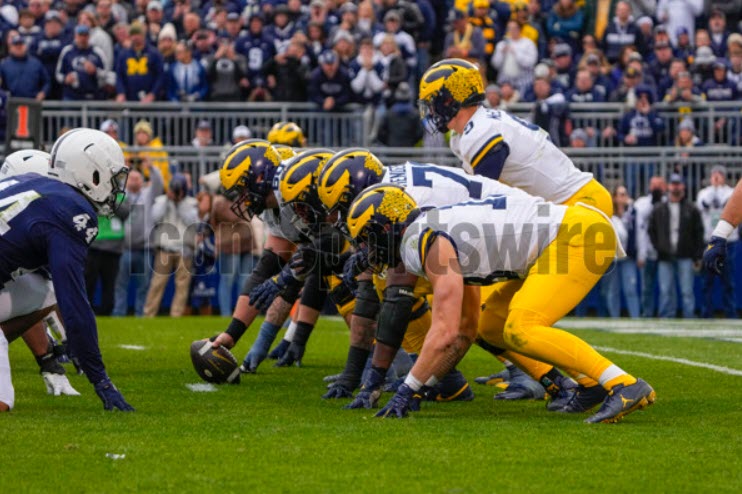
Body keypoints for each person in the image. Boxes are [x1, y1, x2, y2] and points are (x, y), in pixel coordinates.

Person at [346, 185, 655, 423]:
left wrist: (407, 389)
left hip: (575, 234)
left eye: (368, 239)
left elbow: (444, 331)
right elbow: (465, 331)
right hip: (557, 239)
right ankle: (590, 384)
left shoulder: (422, 239)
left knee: (523, 327)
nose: (368, 250)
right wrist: (424, 384)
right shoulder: (432, 230)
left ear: (387, 228)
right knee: (489, 326)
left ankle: (623, 383)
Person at [418, 59, 624, 407]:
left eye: (434, 100)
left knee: (518, 318)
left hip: (577, 213)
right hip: (557, 215)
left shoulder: (479, 133)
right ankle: (550, 379)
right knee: (488, 317)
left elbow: (481, 200)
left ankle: (600, 381)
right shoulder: (468, 132)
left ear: (451, 98)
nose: (431, 109)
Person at [0, 128, 133, 412]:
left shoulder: (29, 181)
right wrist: (101, 380)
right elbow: (74, 302)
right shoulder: (71, 211)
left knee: (43, 291)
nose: (117, 187)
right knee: (2, 401)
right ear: (93, 174)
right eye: (113, 177)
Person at [648, 174, 704, 318]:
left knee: (687, 290)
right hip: (665, 255)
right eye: (673, 184)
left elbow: (699, 233)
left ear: (683, 186)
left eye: (678, 184)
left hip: (685, 254)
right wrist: (658, 247)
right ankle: (666, 316)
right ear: (668, 186)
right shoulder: (659, 208)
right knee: (665, 289)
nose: (675, 187)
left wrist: (697, 255)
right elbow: (652, 230)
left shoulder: (691, 209)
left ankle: (689, 315)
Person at [143, 174, 199, 317]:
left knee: (182, 286)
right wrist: (168, 200)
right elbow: (155, 217)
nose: (176, 192)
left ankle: (176, 315)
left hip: (184, 249)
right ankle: (149, 314)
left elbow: (193, 221)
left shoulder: (192, 203)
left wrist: (179, 203)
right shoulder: (161, 201)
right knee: (157, 284)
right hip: (164, 249)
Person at [113, 162, 164, 317]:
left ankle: (140, 314)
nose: (135, 181)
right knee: (121, 285)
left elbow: (159, 184)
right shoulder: (121, 196)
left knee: (143, 286)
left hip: (144, 248)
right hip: (125, 247)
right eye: (132, 178)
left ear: (142, 181)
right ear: (126, 181)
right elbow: (112, 183)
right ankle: (119, 313)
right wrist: (122, 169)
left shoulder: (147, 194)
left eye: (137, 179)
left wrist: (152, 167)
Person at [697, 165, 737, 318]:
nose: (716, 177)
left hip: (729, 241)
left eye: (719, 174)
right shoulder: (704, 193)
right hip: (710, 241)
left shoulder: (731, 192)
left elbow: (724, 203)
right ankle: (706, 312)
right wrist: (714, 188)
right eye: (714, 174)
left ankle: (731, 313)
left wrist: (718, 189)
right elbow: (705, 204)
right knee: (707, 281)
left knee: (729, 281)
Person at [601, 185, 640, 317]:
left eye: (625, 194)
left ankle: (635, 318)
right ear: (615, 197)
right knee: (612, 291)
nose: (623, 197)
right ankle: (614, 317)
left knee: (631, 289)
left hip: (628, 257)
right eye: (620, 194)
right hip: (613, 258)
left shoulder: (632, 213)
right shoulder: (609, 214)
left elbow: (638, 233)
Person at [634, 176, 666, 317]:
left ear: (664, 187)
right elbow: (640, 230)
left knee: (666, 287)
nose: (655, 188)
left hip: (664, 252)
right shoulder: (642, 203)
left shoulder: (668, 202)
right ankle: (647, 314)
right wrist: (641, 254)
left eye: (658, 185)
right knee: (647, 287)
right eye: (653, 184)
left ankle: (665, 315)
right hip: (647, 252)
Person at [115, 21, 164, 102]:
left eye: (138, 34)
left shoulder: (154, 53)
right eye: (133, 34)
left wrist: (153, 94)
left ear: (143, 35)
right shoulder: (124, 54)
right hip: (130, 99)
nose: (135, 37)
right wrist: (121, 92)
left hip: (150, 101)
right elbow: (119, 75)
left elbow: (160, 76)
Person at [55, 24, 107, 101]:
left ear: (89, 37)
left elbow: (106, 74)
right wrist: (65, 79)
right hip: (71, 96)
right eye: (80, 35)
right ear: (75, 36)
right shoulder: (67, 51)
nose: (83, 38)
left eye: (85, 35)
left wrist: (95, 71)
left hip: (92, 96)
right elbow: (58, 74)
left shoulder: (97, 52)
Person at [490, 20, 538, 94]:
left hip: (524, 82)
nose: (512, 31)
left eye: (514, 28)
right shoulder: (502, 44)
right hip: (505, 84)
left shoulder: (528, 43)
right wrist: (502, 54)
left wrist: (515, 52)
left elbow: (530, 63)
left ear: (520, 29)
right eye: (509, 28)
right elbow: (495, 64)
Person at [0, 35, 49, 100]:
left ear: (26, 46)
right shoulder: (4, 64)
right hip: (11, 101)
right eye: (16, 45)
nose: (18, 47)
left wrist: (43, 92)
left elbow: (46, 81)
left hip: (32, 101)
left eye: (21, 45)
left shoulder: (36, 63)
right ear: (10, 48)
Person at [375, 82, 423, 147]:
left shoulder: (389, 113)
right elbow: (420, 133)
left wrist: (389, 142)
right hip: (409, 150)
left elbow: (380, 133)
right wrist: (411, 141)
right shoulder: (415, 114)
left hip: (392, 150)